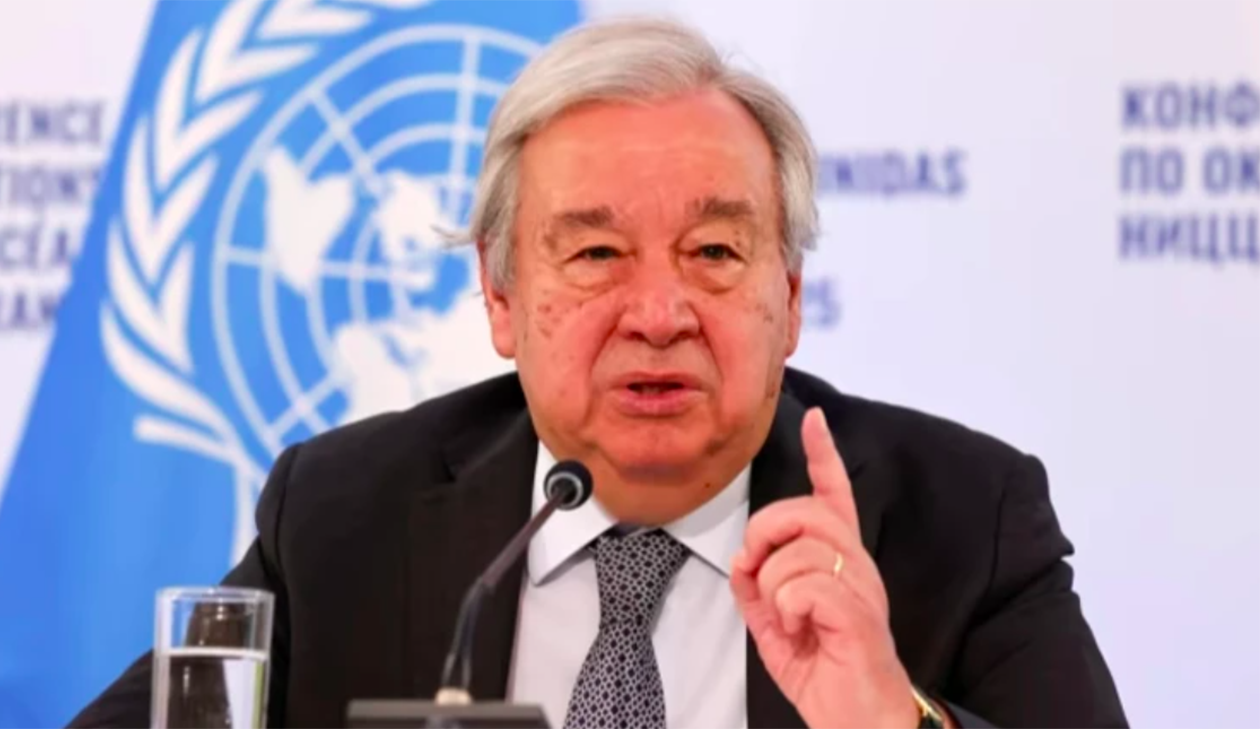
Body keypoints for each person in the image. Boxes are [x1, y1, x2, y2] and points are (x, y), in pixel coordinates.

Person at [66, 17, 1128, 729]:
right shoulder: (344, 517)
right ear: (500, 299)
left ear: (791, 297)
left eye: (714, 252)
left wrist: (892, 718)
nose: (659, 315)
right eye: (595, 254)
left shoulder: (964, 519)